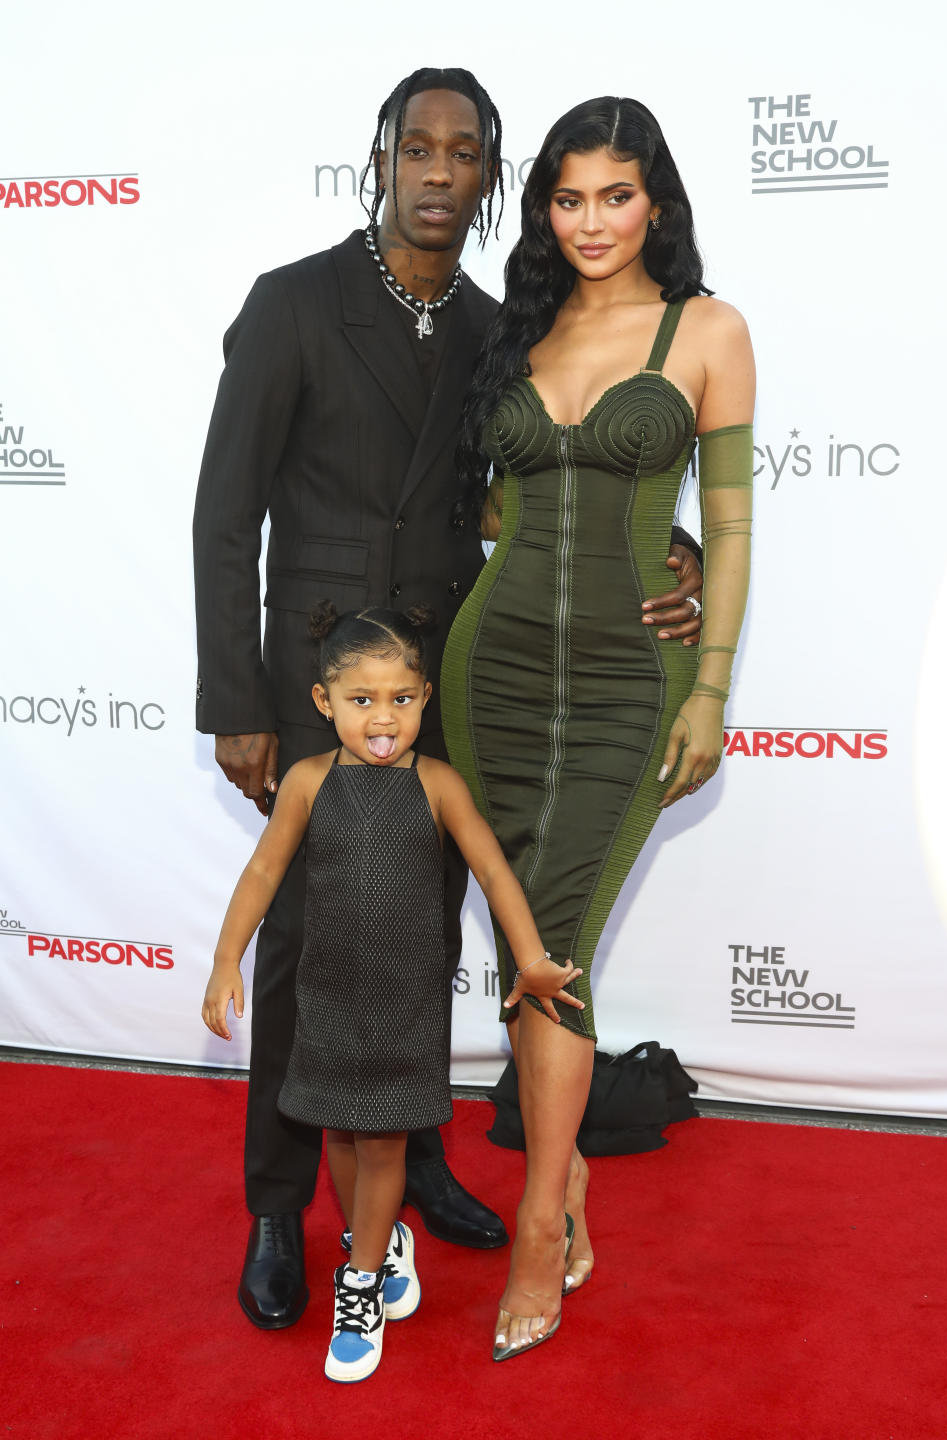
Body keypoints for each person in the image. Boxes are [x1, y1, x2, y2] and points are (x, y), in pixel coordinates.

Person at [192, 68, 704, 1330]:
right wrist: (238, 699)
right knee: (310, 946)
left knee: (421, 939)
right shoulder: (293, 304)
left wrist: (673, 555)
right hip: (317, 682)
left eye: (462, 152)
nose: (435, 170)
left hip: (444, 683)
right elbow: (223, 515)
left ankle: (416, 1168)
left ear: (489, 181)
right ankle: (277, 1207)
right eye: (414, 147)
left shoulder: (493, 329)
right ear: (381, 159)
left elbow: (528, 500)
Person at [442, 95, 754, 1359]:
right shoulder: (517, 330)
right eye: (568, 198)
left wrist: (714, 686)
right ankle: (562, 1195)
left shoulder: (709, 330)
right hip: (491, 669)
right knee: (533, 940)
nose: (590, 221)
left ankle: (535, 1232)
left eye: (614, 196)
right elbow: (489, 511)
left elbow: (729, 527)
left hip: (634, 681)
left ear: (656, 203)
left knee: (553, 936)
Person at [201, 604, 584, 1381]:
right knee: (338, 1133)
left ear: (423, 698)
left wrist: (532, 960)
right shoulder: (308, 784)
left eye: (401, 700)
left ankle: (362, 1282)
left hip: (405, 1004)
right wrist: (224, 959)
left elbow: (493, 872)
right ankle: (379, 1242)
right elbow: (263, 875)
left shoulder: (438, 785)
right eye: (362, 700)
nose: (383, 719)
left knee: (380, 1141)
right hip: (328, 996)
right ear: (324, 702)